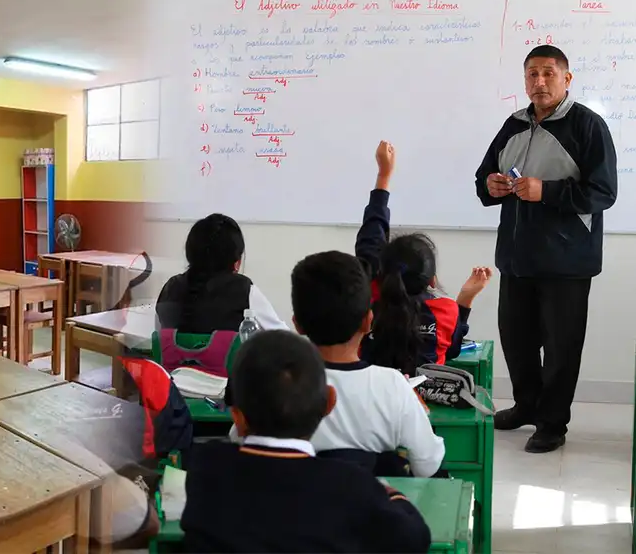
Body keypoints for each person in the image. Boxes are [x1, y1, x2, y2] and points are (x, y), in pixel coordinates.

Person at [475, 45, 618, 453]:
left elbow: (603, 192)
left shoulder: (588, 127)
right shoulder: (513, 124)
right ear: (524, 81)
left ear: (566, 79)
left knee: (560, 347)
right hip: (517, 258)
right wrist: (491, 186)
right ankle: (526, 406)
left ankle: (553, 423)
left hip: (567, 262)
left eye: (548, 74)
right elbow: (483, 176)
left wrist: (546, 192)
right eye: (532, 74)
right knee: (516, 340)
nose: (539, 82)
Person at [181, 329, 431, 553]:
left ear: (238, 417)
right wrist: (391, 493)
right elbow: (415, 538)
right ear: (329, 403)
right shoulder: (350, 485)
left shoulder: (206, 469)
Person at [284, 250, 446, 477]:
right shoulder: (392, 385)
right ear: (368, 321)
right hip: (370, 508)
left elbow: (242, 441)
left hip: (294, 507)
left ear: (297, 324)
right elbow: (428, 464)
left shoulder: (277, 382)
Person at [357, 140, 493, 374]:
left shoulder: (369, 297)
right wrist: (465, 300)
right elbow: (452, 349)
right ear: (431, 280)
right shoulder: (446, 310)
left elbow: (372, 233)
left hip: (372, 399)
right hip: (422, 404)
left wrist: (384, 175)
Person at [155, 213, 288, 333]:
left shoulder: (171, 288)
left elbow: (158, 338)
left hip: (171, 361)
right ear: (236, 262)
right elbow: (285, 339)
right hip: (230, 361)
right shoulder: (244, 290)